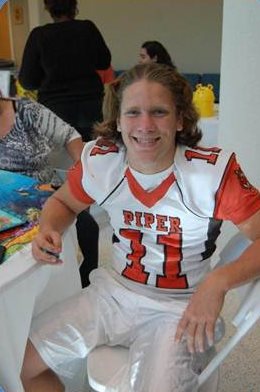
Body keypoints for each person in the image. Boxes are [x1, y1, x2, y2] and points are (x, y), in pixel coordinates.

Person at [21, 63, 260, 392]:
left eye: (159, 111)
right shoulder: (102, 161)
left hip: (179, 308)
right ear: (118, 121)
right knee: (23, 365)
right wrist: (50, 225)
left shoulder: (211, 175)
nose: (145, 125)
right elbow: (63, 203)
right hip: (115, 293)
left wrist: (219, 281)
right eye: (133, 112)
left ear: (180, 119)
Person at [0, 94, 98, 288]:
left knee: (86, 226)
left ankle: (82, 280)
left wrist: (83, 173)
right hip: (5, 202)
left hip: (44, 193)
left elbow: (70, 135)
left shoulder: (27, 111)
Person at [18, 0, 111, 142]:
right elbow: (104, 62)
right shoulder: (88, 28)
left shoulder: (39, 35)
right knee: (93, 155)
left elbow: (27, 81)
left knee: (59, 161)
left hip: (54, 111)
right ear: (74, 6)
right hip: (91, 106)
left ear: (48, 8)